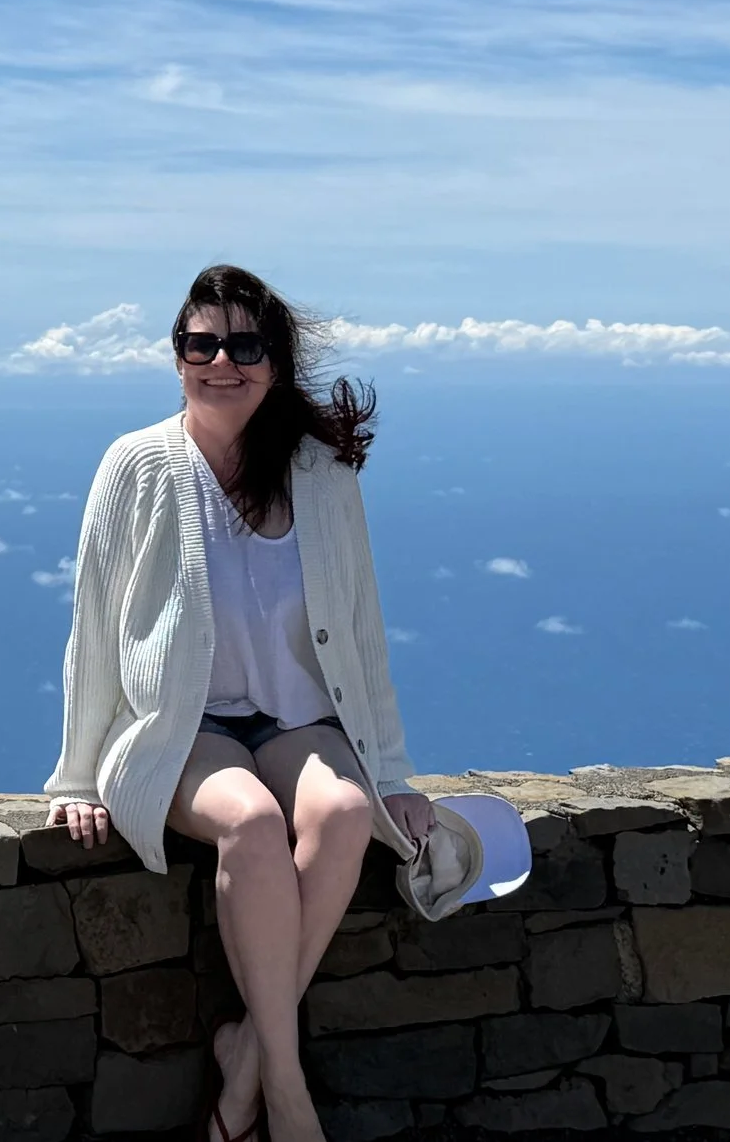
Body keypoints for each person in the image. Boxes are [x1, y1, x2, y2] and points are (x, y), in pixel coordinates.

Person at [44, 265, 436, 1142]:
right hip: (184, 729)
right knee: (253, 825)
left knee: (340, 813)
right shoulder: (135, 464)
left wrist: (396, 771)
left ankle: (248, 1057)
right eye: (201, 342)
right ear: (176, 355)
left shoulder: (322, 470)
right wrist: (74, 773)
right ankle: (286, 1098)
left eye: (245, 343)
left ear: (275, 359)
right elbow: (95, 623)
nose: (222, 360)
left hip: (299, 721)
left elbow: (363, 627)